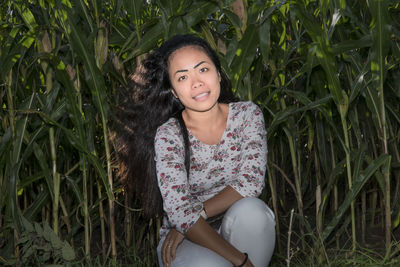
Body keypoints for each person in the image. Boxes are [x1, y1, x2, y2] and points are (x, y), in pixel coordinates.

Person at [114, 34, 275, 267]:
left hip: (234, 222)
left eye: (203, 70)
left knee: (255, 214)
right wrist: (241, 261)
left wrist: (198, 213)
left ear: (218, 73)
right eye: (182, 77)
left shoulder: (247, 116)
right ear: (174, 92)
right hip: (185, 238)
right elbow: (179, 212)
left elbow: (250, 183)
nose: (196, 82)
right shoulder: (169, 135)